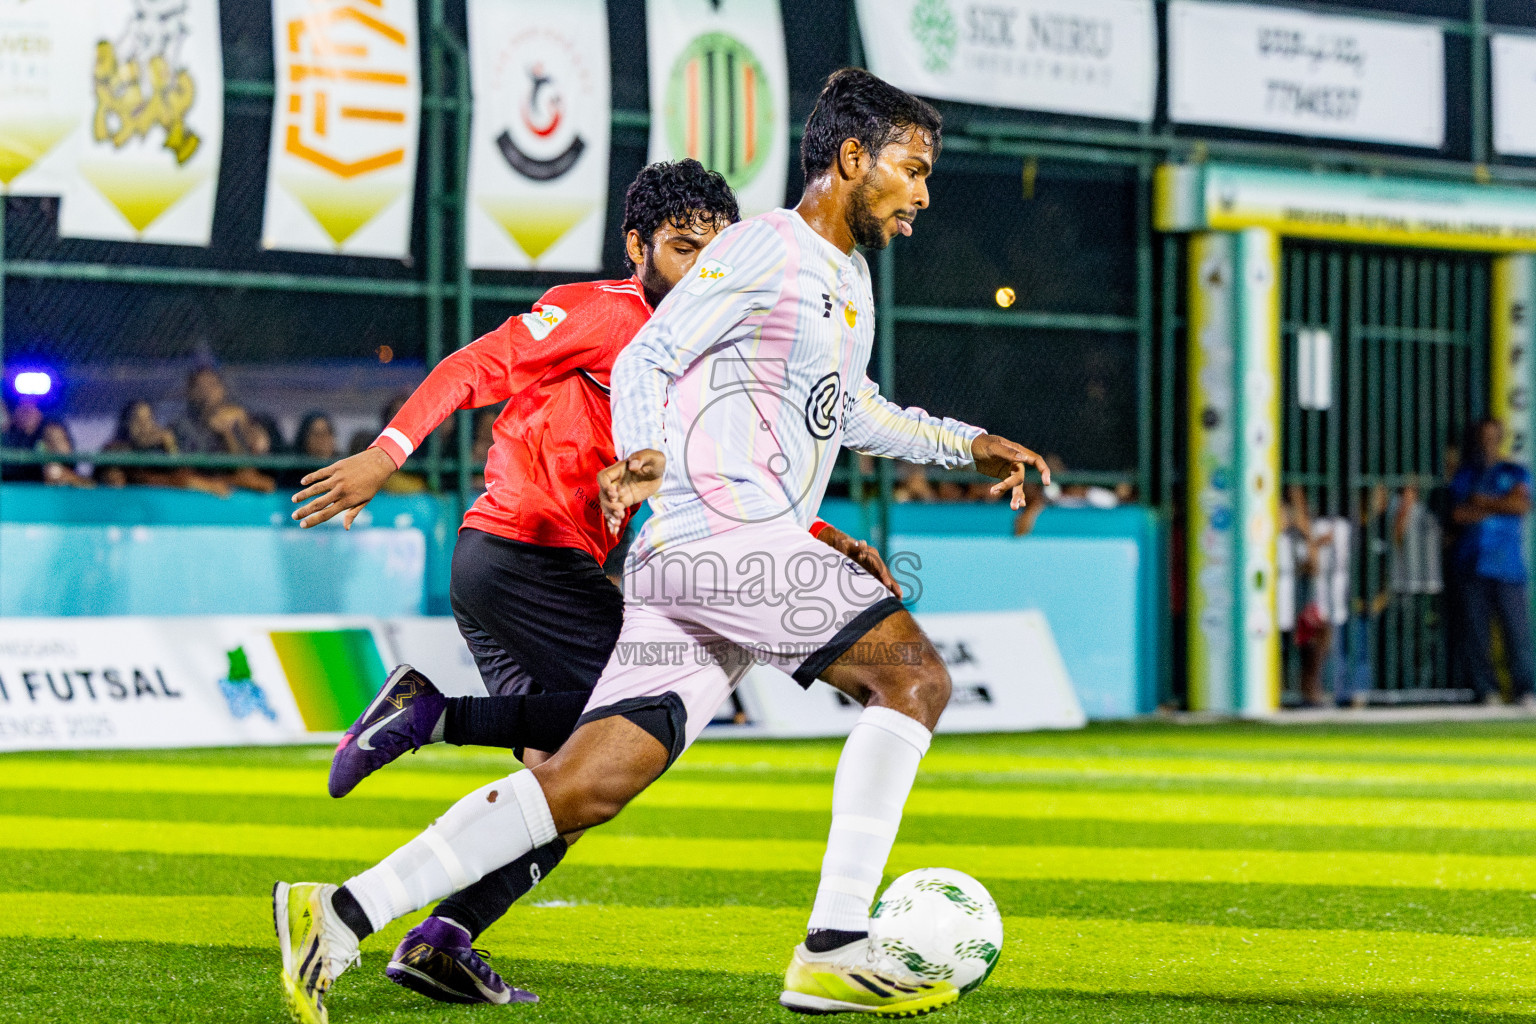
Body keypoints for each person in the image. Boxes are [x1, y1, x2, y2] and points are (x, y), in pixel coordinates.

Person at [270, 69, 1048, 1023]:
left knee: (587, 783)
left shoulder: (845, 277)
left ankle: (341, 912)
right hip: (711, 538)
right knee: (913, 678)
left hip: (698, 553)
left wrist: (969, 444)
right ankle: (835, 944)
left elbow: (844, 411)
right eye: (913, 169)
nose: (923, 194)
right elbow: (649, 353)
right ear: (853, 158)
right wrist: (643, 465)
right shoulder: (766, 244)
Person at [275, 159, 881, 1013]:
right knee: (635, 730)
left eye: (714, 254)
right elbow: (472, 366)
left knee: (570, 783)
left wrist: (822, 538)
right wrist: (388, 452)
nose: (697, 269)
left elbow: (717, 482)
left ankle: (444, 938)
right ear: (636, 245)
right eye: (679, 248)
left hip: (536, 571)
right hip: (522, 552)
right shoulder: (606, 312)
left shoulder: (708, 349)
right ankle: (429, 714)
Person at [1450, 418, 1534, 705]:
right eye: (1482, 436)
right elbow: (1459, 515)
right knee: (1477, 633)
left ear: (1501, 438)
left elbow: (1521, 506)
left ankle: (1524, 689)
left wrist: (1483, 503)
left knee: (1515, 631)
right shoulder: (1466, 475)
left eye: (1492, 436)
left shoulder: (1515, 471)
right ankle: (1486, 690)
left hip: (1507, 565)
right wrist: (1501, 504)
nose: (1487, 441)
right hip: (1472, 563)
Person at [98, 399, 232, 496]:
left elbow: (180, 473)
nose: (144, 426)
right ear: (126, 424)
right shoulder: (114, 450)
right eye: (137, 420)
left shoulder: (158, 451)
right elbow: (142, 479)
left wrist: (170, 445)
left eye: (148, 419)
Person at [37, 419, 93, 488]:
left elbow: (90, 485)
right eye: (50, 440)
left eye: (59, 439)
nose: (55, 444)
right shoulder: (50, 468)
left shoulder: (74, 463)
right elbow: (52, 474)